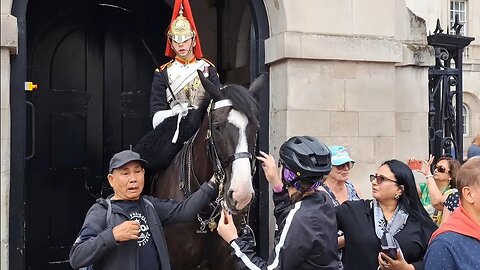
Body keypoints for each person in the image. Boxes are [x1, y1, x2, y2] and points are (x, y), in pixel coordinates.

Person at [69, 150, 218, 270]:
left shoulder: (150, 205)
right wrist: (112, 235)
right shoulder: (102, 211)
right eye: (125, 173)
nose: (133, 178)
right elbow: (77, 257)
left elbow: (185, 211)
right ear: (111, 180)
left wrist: (213, 183)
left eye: (138, 171)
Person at [217, 136, 340, 269]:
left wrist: (234, 240)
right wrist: (277, 185)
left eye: (281, 164)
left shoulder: (299, 219)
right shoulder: (323, 200)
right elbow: (288, 221)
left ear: (288, 174)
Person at [336, 160, 437, 270]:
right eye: (374, 177)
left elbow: (435, 258)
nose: (374, 182)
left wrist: (408, 268)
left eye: (382, 179)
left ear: (400, 189)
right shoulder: (353, 211)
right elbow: (319, 224)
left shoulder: (419, 222)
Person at [150, 0, 220, 130]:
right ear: (171, 43)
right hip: (174, 130)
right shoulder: (162, 73)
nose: (181, 44)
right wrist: (172, 113)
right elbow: (155, 116)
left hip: (203, 129)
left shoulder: (208, 69)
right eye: (176, 40)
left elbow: (218, 104)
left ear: (193, 41)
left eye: (185, 39)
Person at [425, 157, 480, 270]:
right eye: (437, 168)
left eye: (441, 169)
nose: (436, 171)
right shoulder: (444, 246)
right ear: (468, 194)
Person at [320, 145, 361, 269]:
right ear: (328, 167)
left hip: (355, 258)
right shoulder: (320, 194)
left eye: (348, 164)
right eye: (340, 165)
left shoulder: (354, 188)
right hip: (331, 260)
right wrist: (354, 237)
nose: (346, 168)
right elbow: (321, 240)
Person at [409, 155, 460, 225]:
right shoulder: (425, 187)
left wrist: (428, 175)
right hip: (422, 229)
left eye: (441, 169)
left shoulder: (452, 193)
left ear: (450, 176)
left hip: (438, 231)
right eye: (436, 167)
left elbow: (437, 202)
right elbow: (408, 188)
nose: (436, 170)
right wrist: (407, 169)